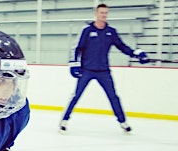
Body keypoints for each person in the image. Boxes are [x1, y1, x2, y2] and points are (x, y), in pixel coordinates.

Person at [59, 3, 150, 133]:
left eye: (106, 13)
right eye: (101, 13)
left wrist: (135, 53)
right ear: (96, 14)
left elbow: (122, 46)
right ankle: (64, 121)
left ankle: (123, 122)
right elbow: (77, 48)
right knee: (76, 95)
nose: (104, 15)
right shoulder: (87, 30)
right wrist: (73, 64)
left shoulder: (111, 32)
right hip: (87, 70)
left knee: (113, 97)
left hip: (104, 71)